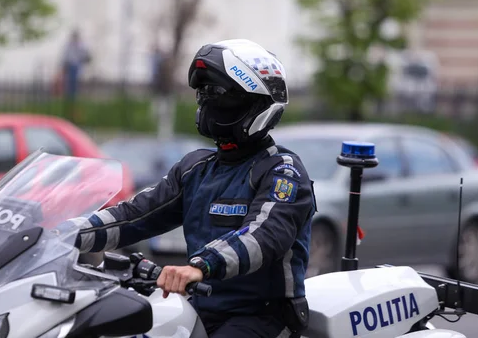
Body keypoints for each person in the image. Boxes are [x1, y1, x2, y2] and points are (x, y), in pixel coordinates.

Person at [69, 39, 316, 337]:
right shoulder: (196, 168)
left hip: (262, 318)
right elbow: (134, 215)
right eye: (204, 93)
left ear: (258, 104)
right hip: (200, 308)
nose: (209, 102)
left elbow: (263, 236)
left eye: (220, 94)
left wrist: (201, 266)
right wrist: (63, 235)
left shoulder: (282, 171)